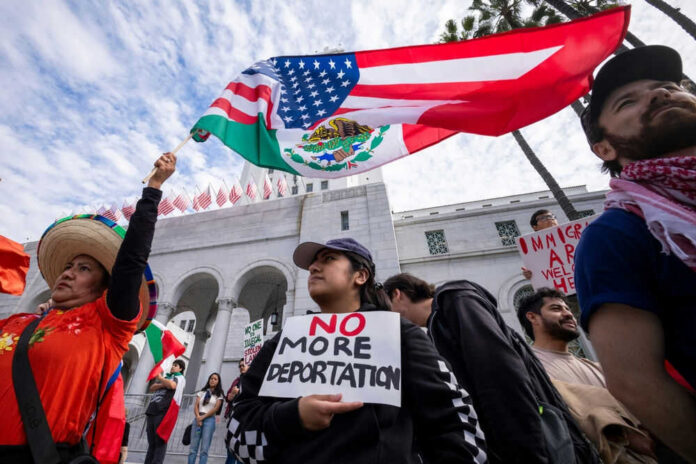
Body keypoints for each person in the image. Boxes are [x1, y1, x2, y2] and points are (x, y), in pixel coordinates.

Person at [229, 238, 487, 464]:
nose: (314, 268)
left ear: (360, 276)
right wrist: (292, 416)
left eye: (328, 259)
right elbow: (236, 427)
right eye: (311, 265)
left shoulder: (398, 334)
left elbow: (454, 418)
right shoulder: (284, 340)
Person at [0, 153, 176, 463]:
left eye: (83, 269)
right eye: (68, 265)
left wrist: (152, 190)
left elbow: (130, 261)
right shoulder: (16, 322)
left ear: (104, 289)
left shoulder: (105, 325)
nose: (67, 272)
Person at [575, 45, 696, 462]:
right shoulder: (618, 234)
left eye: (668, 87)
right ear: (604, 148)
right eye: (629, 101)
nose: (660, 95)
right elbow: (634, 380)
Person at [384, 272, 599, 464]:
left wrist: (527, 453)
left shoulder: (454, 299)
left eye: (386, 306)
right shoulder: (436, 327)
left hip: (538, 444)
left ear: (397, 294)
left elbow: (501, 377)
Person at [517, 288, 656, 463]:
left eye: (568, 309)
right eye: (556, 309)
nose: (568, 314)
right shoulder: (528, 367)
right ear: (532, 317)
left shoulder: (596, 367)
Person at [145, 359, 186, 464]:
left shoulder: (180, 378)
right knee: (152, 442)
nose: (173, 367)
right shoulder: (167, 378)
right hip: (152, 410)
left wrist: (161, 379)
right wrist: (163, 382)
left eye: (175, 365)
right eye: (172, 365)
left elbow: (172, 386)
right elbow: (152, 387)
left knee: (160, 441)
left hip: (163, 411)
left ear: (180, 369)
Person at [188, 372, 224, 464]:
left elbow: (216, 408)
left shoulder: (219, 394)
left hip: (209, 420)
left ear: (218, 382)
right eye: (211, 378)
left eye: (215, 379)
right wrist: (198, 417)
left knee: (204, 450)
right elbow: (196, 406)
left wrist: (203, 417)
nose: (212, 380)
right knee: (193, 448)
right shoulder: (202, 392)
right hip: (198, 418)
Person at [522, 209, 559, 279]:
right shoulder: (532, 250)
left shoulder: (573, 235)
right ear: (535, 227)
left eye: (552, 216)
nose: (550, 219)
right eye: (543, 218)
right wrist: (531, 274)